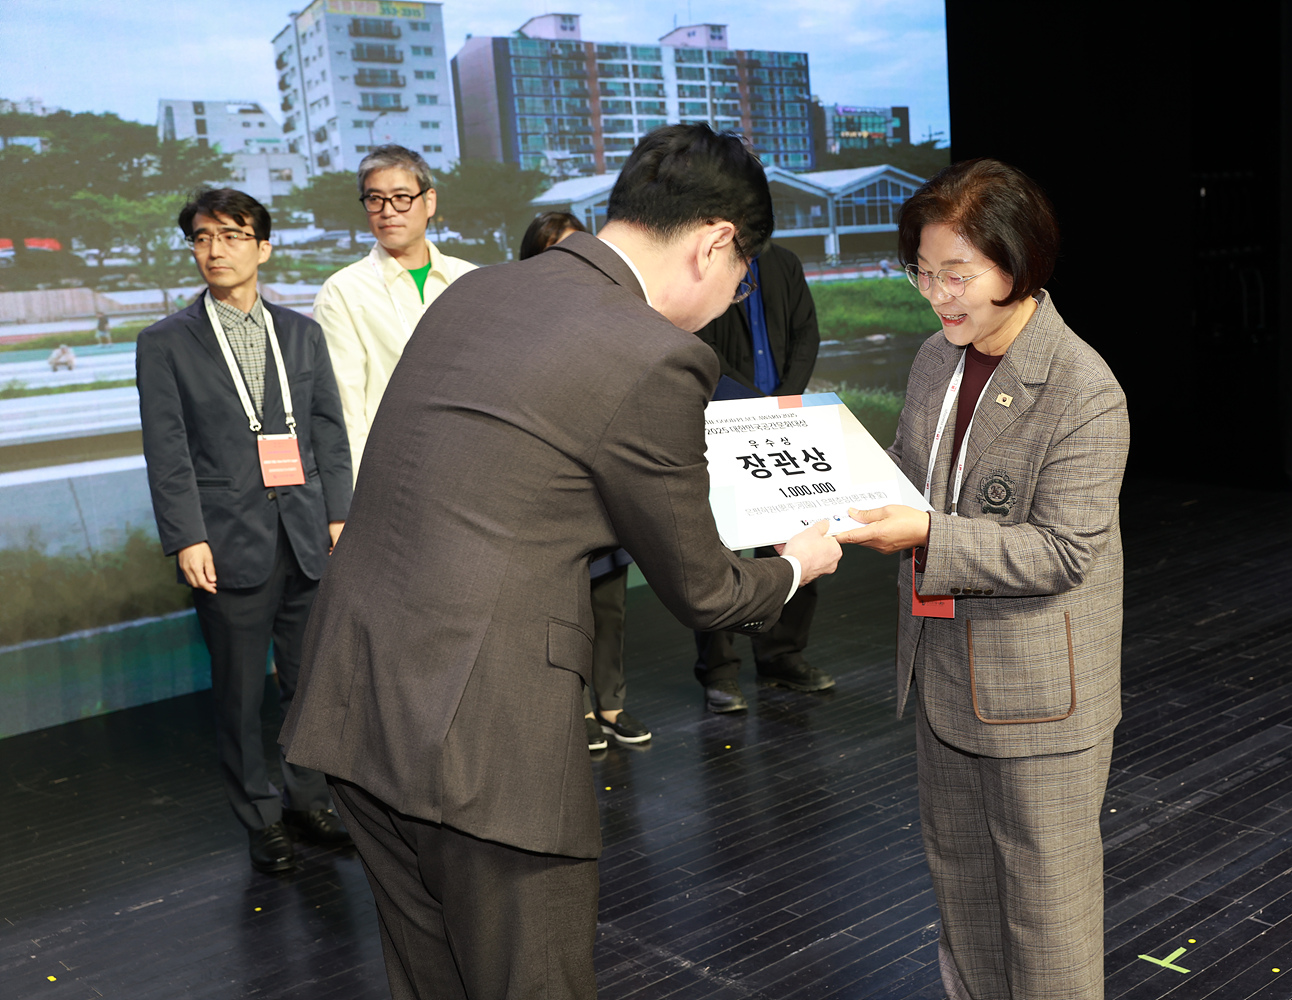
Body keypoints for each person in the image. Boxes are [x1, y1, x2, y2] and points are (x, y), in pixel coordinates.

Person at [280, 124, 842, 999]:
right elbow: (704, 588)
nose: (733, 301)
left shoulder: (477, 293)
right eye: (738, 283)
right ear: (715, 242)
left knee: (430, 979)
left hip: (356, 703)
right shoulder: (652, 353)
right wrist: (802, 561)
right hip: (481, 747)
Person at [837, 159, 1129, 1000]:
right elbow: (911, 474)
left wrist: (927, 532)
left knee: (1047, 915)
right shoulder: (937, 357)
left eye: (957, 274)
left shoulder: (1083, 389)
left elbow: (1061, 552)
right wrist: (828, 484)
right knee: (963, 896)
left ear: (1018, 262)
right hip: (941, 676)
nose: (938, 294)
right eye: (922, 272)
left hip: (1039, 697)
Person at [136, 189, 354, 874]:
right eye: (202, 238)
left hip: (307, 531)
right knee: (238, 693)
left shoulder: (300, 331)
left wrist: (340, 510)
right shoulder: (165, 343)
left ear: (263, 247)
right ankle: (260, 817)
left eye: (231, 236)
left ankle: (307, 799)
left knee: (308, 683)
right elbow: (166, 451)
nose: (214, 250)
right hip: (225, 542)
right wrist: (186, 536)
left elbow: (326, 428)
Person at [518, 210, 652, 752]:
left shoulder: (616, 316)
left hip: (605, 488)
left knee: (610, 605)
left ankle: (612, 702)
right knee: (559, 610)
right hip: (548, 494)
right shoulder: (519, 322)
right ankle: (572, 708)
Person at [690, 241, 829, 712]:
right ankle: (720, 672)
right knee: (718, 550)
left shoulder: (785, 262)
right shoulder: (707, 265)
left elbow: (806, 333)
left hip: (784, 426)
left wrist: (785, 402)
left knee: (795, 540)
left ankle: (781, 656)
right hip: (724, 422)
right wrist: (756, 409)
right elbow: (703, 349)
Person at [313, 145, 478, 483]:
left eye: (401, 197)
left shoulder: (471, 280)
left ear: (429, 201)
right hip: (393, 476)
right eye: (375, 199)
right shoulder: (343, 291)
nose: (388, 211)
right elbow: (347, 410)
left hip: (471, 467)